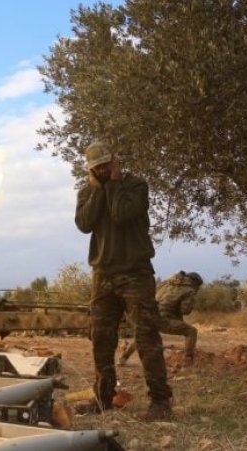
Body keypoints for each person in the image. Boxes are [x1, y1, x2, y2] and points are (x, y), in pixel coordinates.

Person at [74, 140, 173, 421]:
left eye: (107, 164)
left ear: (115, 161)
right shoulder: (87, 191)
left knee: (146, 337)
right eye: (98, 167)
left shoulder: (136, 186)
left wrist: (114, 184)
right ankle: (102, 398)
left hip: (135, 275)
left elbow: (120, 215)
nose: (103, 170)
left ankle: (160, 403)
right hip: (102, 275)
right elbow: (83, 224)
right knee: (101, 339)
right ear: (90, 170)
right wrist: (96, 192)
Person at [119, 271, 203, 366]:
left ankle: (123, 358)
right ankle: (188, 360)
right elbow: (185, 310)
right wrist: (192, 300)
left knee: (143, 335)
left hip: (149, 313)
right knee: (191, 331)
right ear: (196, 283)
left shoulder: (167, 282)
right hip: (164, 318)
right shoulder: (189, 290)